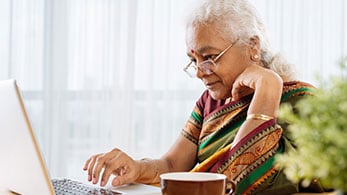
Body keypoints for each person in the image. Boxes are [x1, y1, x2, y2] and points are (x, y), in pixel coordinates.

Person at [83, 0, 322, 194]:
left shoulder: (301, 102)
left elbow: (246, 180)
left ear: (253, 47)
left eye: (210, 57)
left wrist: (267, 86)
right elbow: (173, 166)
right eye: (193, 60)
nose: (199, 72)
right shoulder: (211, 100)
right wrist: (136, 167)